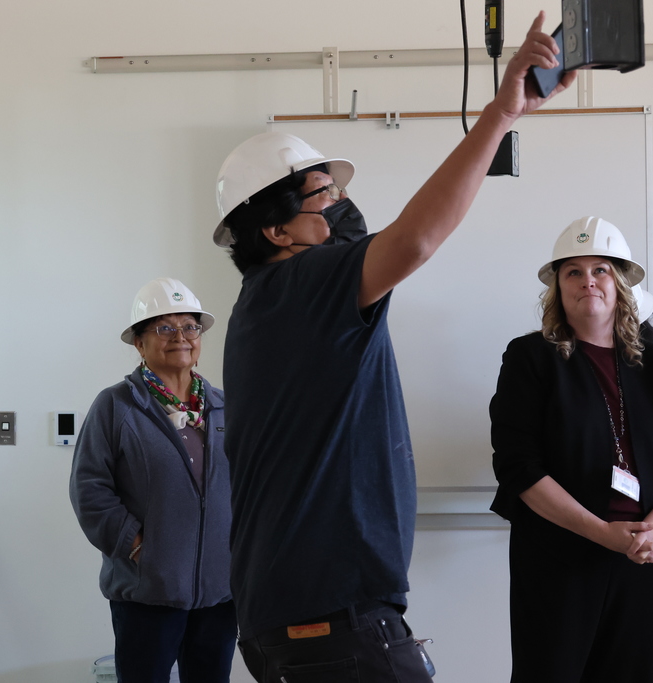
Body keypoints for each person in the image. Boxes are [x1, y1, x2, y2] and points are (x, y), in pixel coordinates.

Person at [214, 12, 575, 682]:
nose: (338, 204)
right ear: (276, 232)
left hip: (295, 614)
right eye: (323, 195)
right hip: (330, 616)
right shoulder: (302, 286)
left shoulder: (269, 305)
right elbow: (415, 239)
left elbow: (363, 239)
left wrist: (327, 194)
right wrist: (500, 113)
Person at [490, 216, 653, 683]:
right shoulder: (530, 358)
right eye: (573, 271)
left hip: (647, 555)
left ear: (620, 285)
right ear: (557, 288)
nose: (588, 281)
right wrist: (603, 533)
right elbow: (518, 466)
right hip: (560, 556)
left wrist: (648, 534)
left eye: (600, 270)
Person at [70, 277, 236, 683]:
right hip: (148, 591)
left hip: (219, 591)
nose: (181, 337)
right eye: (165, 328)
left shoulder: (223, 406)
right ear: (139, 343)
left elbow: (249, 483)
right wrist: (137, 545)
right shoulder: (116, 406)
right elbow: (89, 489)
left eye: (190, 327)